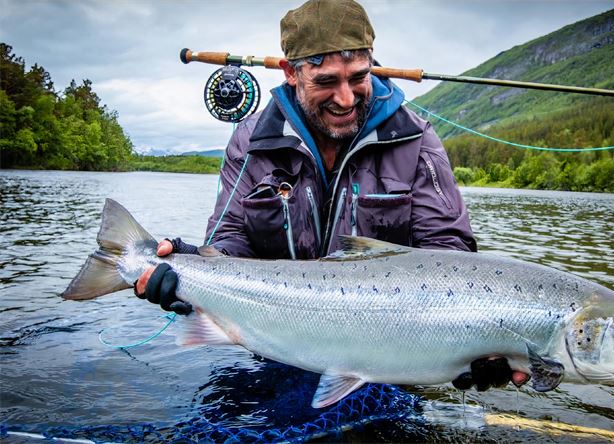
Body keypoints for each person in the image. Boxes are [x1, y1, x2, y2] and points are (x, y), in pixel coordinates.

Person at [135, 0, 527, 394]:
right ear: (291, 73)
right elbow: (232, 238)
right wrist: (187, 269)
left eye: (358, 77)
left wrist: (478, 339)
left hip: (391, 356)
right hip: (274, 344)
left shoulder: (416, 139)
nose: (345, 98)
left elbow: (448, 252)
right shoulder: (252, 138)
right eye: (326, 82)